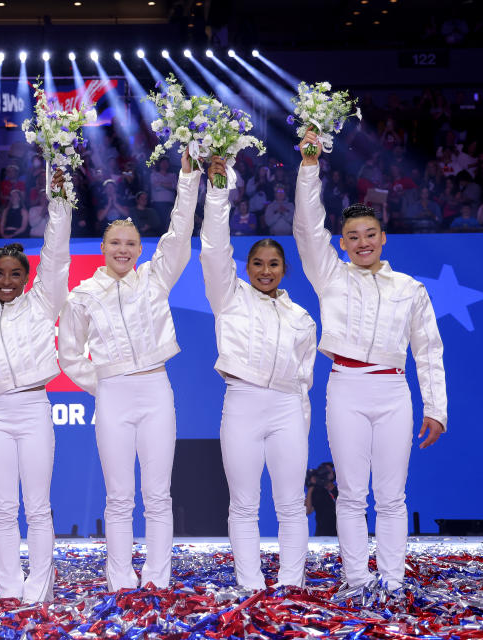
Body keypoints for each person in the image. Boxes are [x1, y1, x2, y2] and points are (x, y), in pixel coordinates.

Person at [294, 130, 447, 594]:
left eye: (370, 235)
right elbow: (306, 227)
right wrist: (308, 165)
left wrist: (436, 407)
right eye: (352, 237)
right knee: (353, 494)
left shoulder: (409, 289)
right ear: (341, 244)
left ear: (383, 238)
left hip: (394, 392)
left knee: (393, 496)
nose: (362, 243)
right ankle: (358, 579)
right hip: (346, 388)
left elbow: (429, 350)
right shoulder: (331, 277)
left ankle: (394, 581)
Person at [58, 149, 200, 591]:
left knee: (158, 495)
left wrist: (190, 177)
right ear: (102, 249)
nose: (123, 250)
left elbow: (178, 234)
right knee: (119, 496)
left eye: (131, 244)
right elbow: (67, 354)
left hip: (156, 388)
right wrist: (102, 384)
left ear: (140, 250)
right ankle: (120, 578)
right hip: (114, 393)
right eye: (115, 243)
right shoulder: (83, 294)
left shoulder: (155, 279)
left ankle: (157, 578)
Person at [0, 168, 71, 603]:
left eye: (14, 274)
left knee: (37, 506)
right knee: (3, 508)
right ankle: (8, 589)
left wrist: (57, 201)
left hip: (35, 409)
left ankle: (39, 589)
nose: (6, 281)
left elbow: (56, 256)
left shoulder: (42, 307)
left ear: (26, 278)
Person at [200, 157, 317, 590]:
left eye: (273, 264)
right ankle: (250, 584)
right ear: (246, 268)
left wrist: (301, 426)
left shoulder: (303, 319)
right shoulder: (229, 298)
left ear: (284, 270)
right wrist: (217, 189)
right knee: (244, 504)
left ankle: (291, 584)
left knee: (290, 504)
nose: (265, 270)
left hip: (287, 408)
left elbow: (304, 380)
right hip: (243, 403)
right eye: (257, 263)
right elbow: (214, 250)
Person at [308, 463, 338, 536]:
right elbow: (307, 510)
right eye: (326, 471)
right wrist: (311, 487)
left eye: (330, 471)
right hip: (323, 535)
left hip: (341, 534)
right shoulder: (317, 492)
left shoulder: (340, 490)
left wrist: (331, 487)